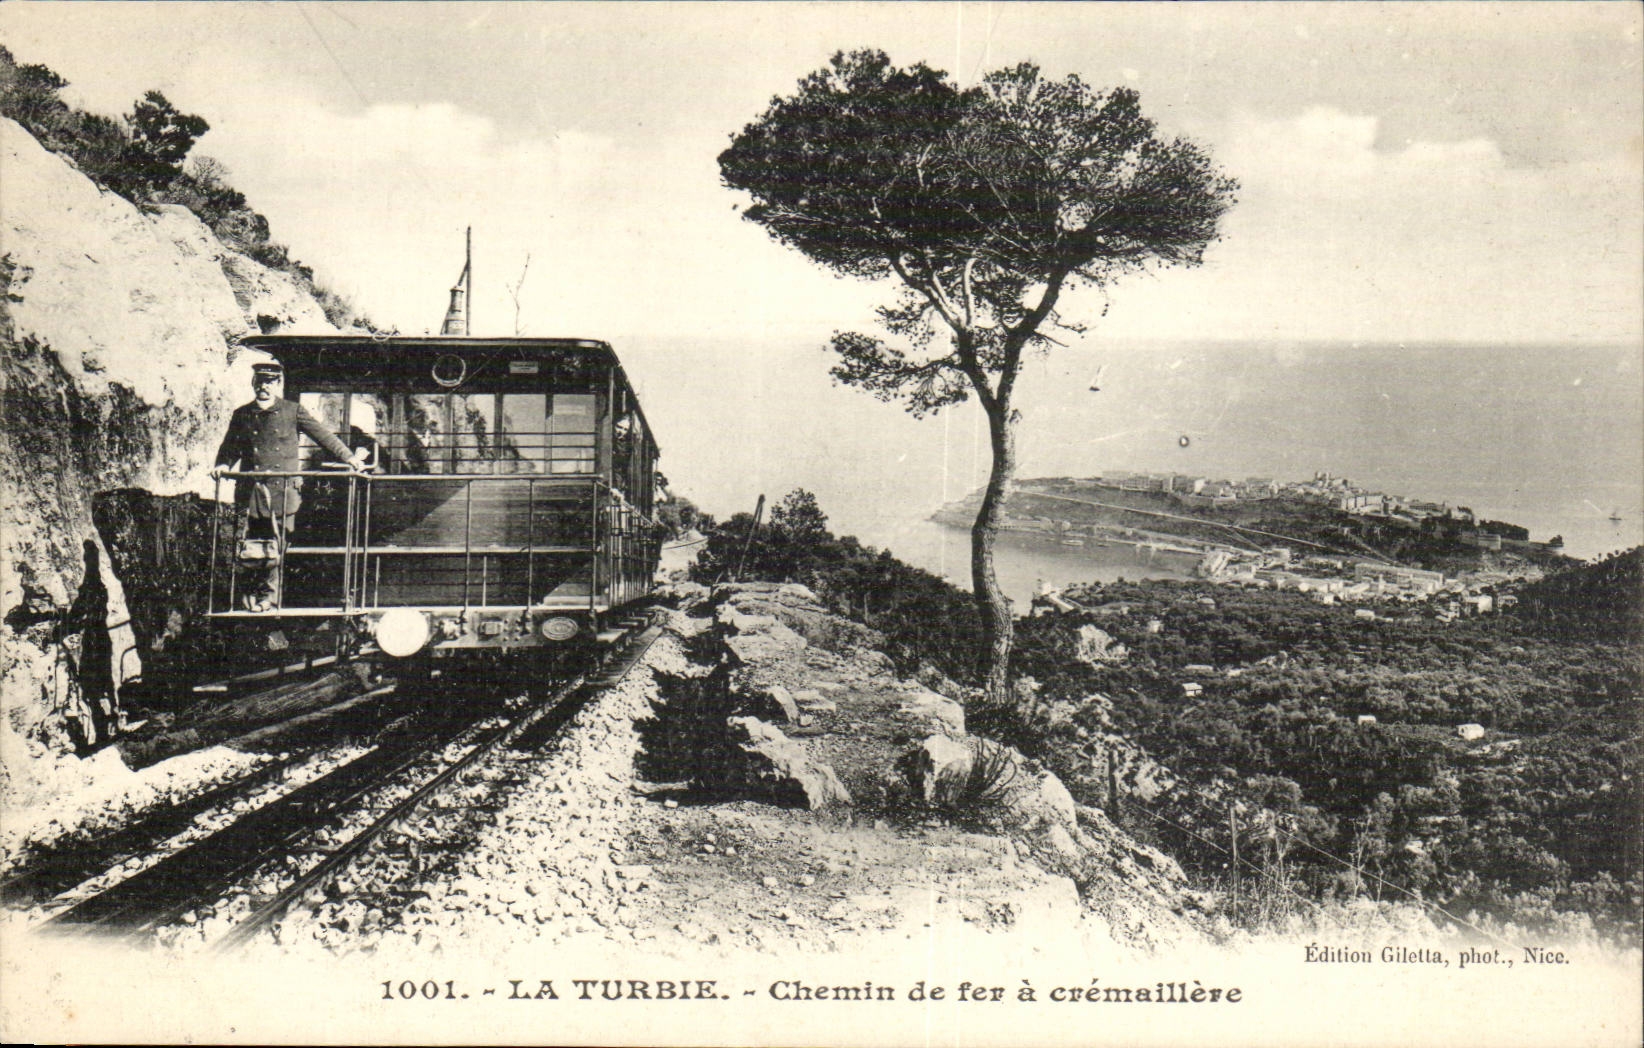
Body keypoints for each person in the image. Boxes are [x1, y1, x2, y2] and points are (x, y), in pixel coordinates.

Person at [211, 361, 366, 610]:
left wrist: (350, 458)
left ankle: (270, 600)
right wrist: (222, 464)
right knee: (252, 548)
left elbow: (323, 435)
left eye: (270, 382)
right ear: (253, 384)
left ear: (277, 385)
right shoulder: (242, 414)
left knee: (277, 548)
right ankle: (253, 598)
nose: (264, 387)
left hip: (282, 494)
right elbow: (230, 447)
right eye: (260, 382)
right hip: (251, 493)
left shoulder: (292, 411)